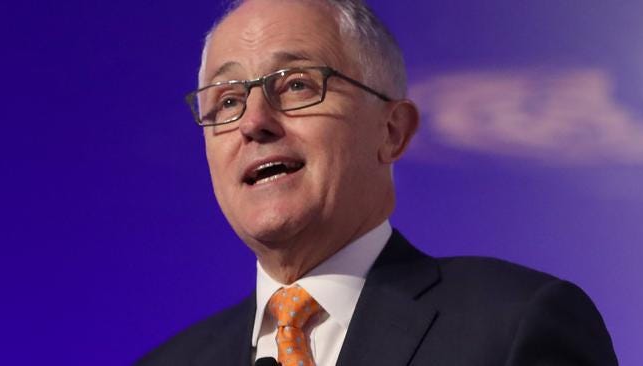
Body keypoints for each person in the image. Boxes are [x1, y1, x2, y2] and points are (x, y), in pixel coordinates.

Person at [138, 0, 618, 365]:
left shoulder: (515, 325)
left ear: (391, 131)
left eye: (297, 84)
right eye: (226, 101)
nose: (254, 121)